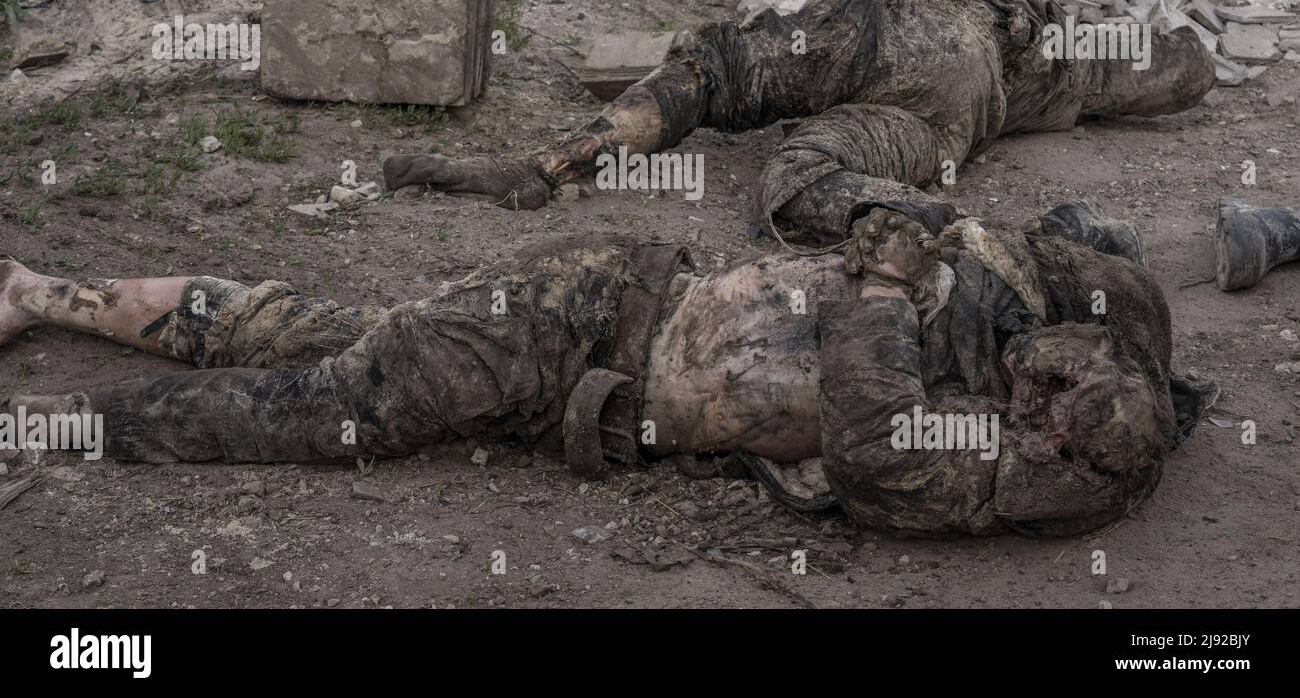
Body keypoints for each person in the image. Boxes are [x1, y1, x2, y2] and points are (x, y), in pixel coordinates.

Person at [1, 199, 1228, 537]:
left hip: (599, 365)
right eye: (1046, 389)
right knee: (335, 406)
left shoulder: (1021, 453)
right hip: (587, 311)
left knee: (313, 330)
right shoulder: (1057, 303)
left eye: (1049, 424)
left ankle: (36, 290)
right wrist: (901, 261)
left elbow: (873, 451)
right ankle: (42, 425)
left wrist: (891, 289)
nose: (1032, 411)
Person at [382, 0, 1216, 244]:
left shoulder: (1038, 31)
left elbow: (1170, 67)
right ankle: (932, 230)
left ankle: (549, 162)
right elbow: (1183, 67)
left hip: (900, 25)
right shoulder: (1083, 64)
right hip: (949, 95)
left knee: (717, 70)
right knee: (795, 171)